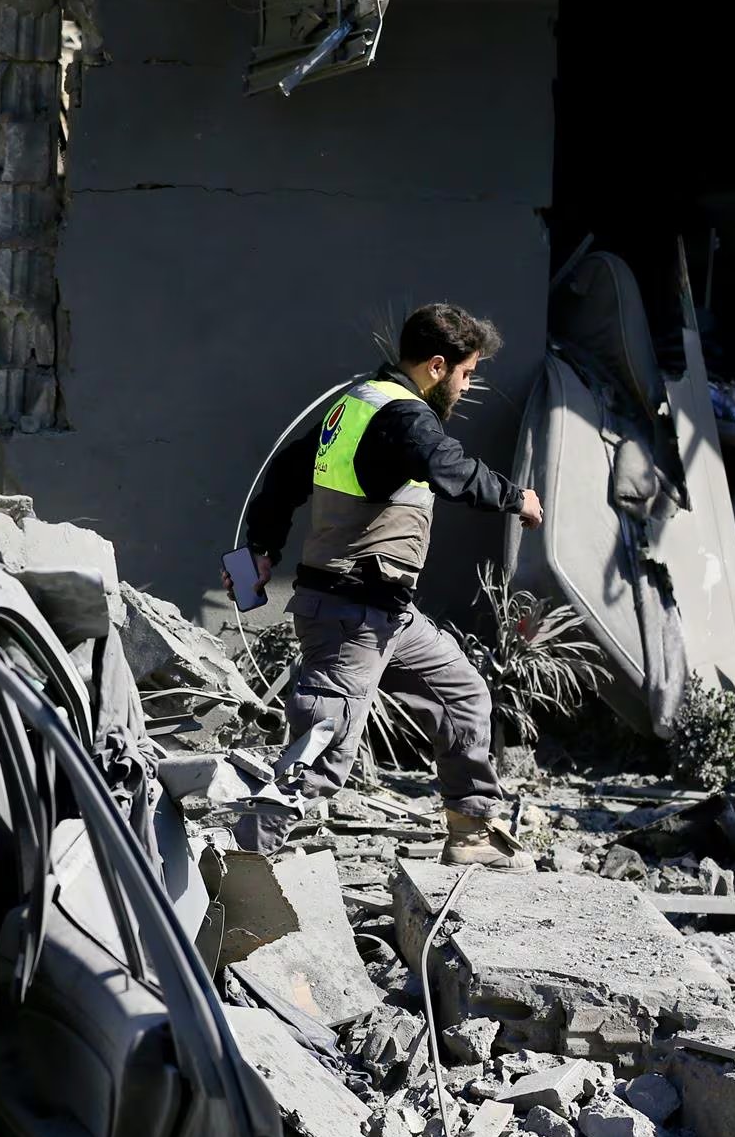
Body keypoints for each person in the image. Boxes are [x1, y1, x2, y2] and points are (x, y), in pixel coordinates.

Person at [231, 303, 544, 870]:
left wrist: (262, 547)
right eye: (466, 374)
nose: (467, 387)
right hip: (351, 615)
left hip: (387, 613)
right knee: (322, 753)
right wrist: (515, 497)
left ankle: (470, 831)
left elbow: (285, 475)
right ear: (436, 365)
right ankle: (235, 868)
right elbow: (451, 470)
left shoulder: (357, 405)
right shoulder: (404, 417)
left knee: (462, 695)